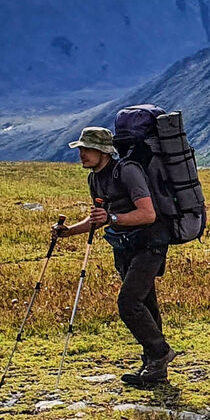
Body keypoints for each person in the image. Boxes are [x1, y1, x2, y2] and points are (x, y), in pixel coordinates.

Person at [53, 126, 174, 387]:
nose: (82, 154)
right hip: (124, 245)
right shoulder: (94, 178)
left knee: (128, 303)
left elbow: (148, 214)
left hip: (150, 243)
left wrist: (113, 218)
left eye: (88, 149)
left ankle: (160, 353)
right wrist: (69, 232)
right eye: (81, 149)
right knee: (146, 303)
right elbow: (99, 216)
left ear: (104, 152)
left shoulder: (127, 171)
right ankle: (154, 369)